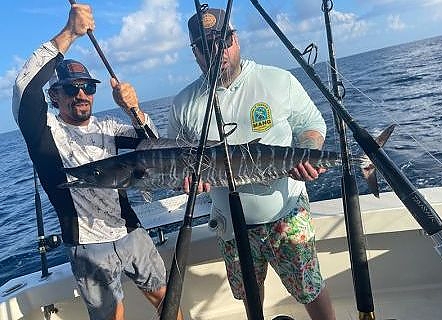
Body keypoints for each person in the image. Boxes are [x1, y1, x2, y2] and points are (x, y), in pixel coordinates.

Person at [12, 4, 183, 320]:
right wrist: (69, 34)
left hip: (130, 230)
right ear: (55, 97)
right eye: (70, 89)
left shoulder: (108, 127)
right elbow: (24, 88)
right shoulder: (44, 130)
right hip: (88, 246)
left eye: (88, 87)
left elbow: (154, 147)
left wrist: (135, 111)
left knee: (168, 299)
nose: (81, 95)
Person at [167, 7, 336, 320]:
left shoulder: (276, 80)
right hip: (231, 225)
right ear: (195, 54)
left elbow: (311, 124)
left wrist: (308, 151)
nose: (217, 51)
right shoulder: (183, 104)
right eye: (205, 46)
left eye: (223, 40)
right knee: (250, 296)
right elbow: (179, 160)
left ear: (236, 39)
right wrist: (188, 180)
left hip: (287, 212)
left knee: (310, 287)